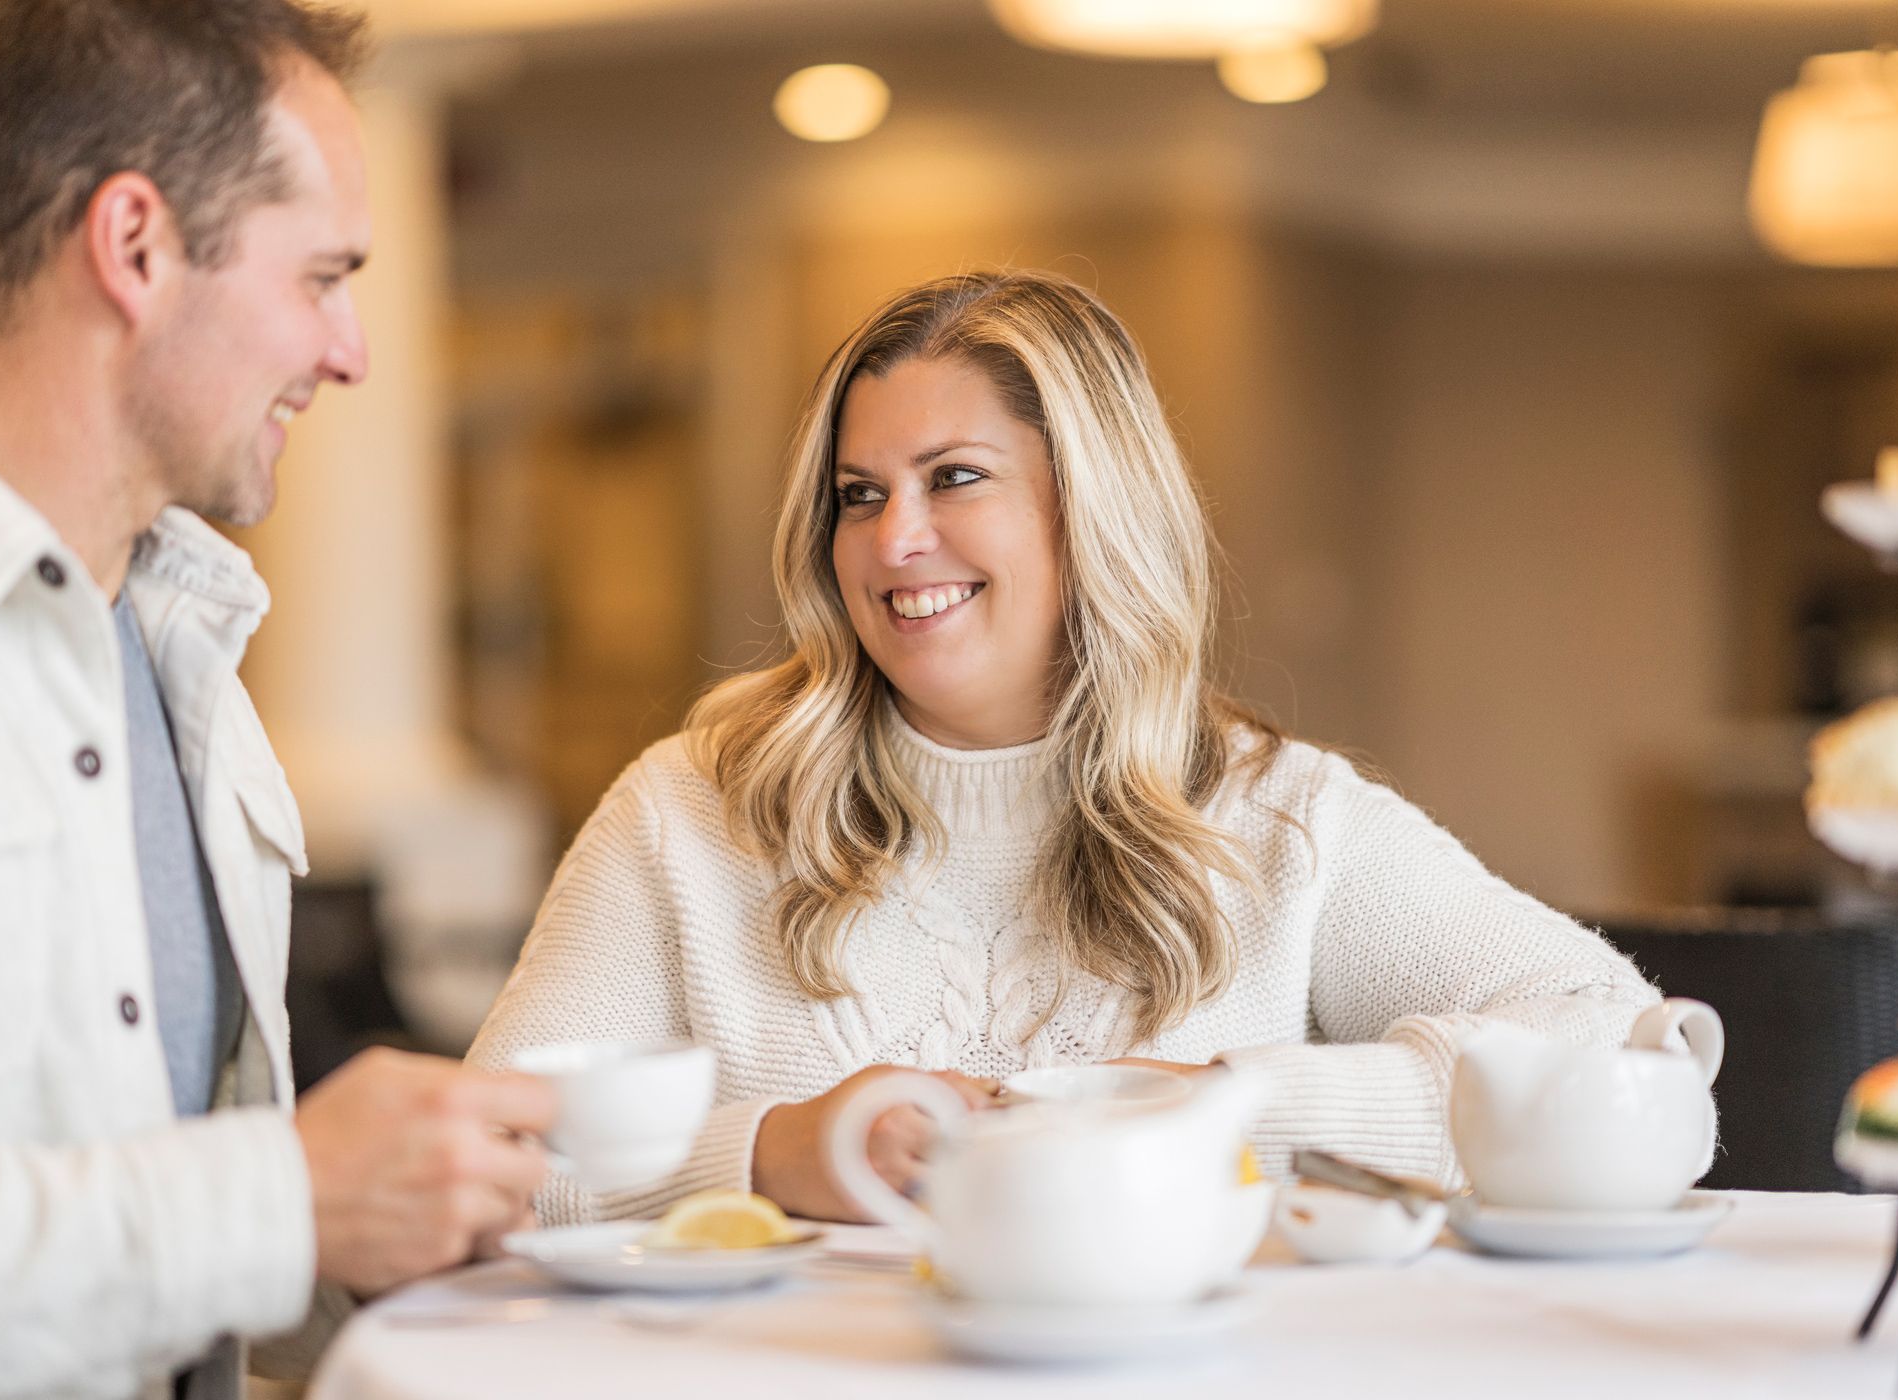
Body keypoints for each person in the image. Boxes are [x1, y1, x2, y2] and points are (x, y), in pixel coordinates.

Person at [466, 268, 1661, 1225]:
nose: (895, 542)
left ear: (1092, 511)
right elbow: (489, 1154)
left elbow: (1620, 1039)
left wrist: (1231, 1105)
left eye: (955, 478)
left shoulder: (1277, 817)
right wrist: (776, 1149)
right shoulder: (689, 808)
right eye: (861, 495)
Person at [0, 3, 555, 1397]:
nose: (354, 351)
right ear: (134, 245)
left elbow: (174, 1247)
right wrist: (290, 1202)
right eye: (321, 276)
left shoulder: (185, 651)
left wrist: (375, 1240)